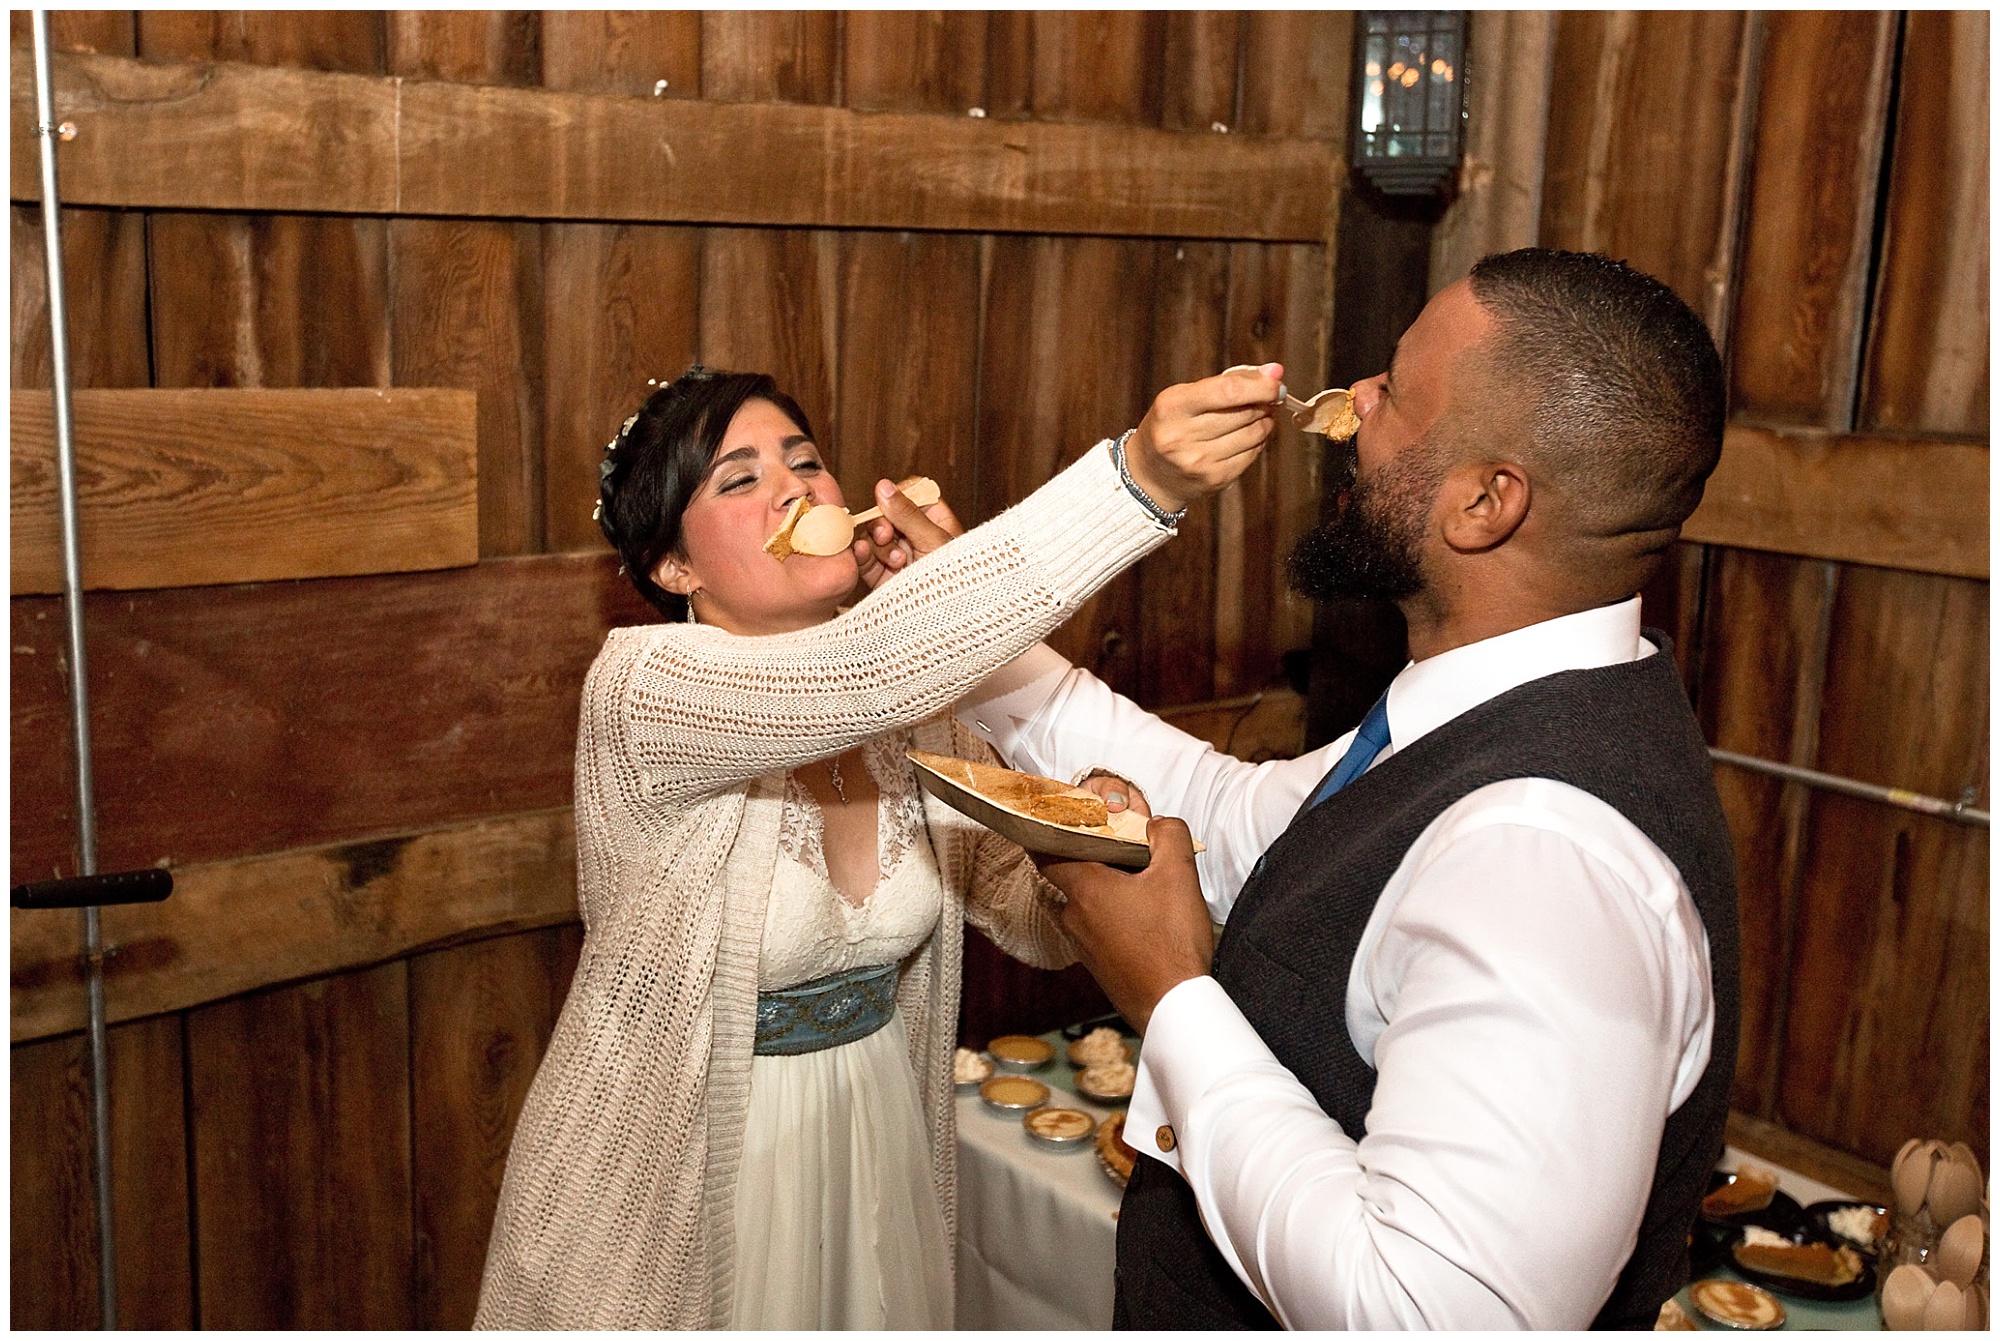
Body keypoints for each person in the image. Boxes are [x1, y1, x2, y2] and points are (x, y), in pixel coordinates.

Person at [955, 248, 1741, 1328]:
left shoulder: (1541, 853)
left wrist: (1170, 996)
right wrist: (967, 632)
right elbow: (1238, 824)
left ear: (1481, 503)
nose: (1352, 403)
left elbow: (1419, 1310)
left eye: (1392, 391)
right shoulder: (1474, 720)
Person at [472, 361, 1284, 1328]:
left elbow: (1027, 915)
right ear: (673, 567)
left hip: (874, 1139)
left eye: (806, 461)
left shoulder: (913, 709)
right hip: (693, 1169)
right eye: (739, 479)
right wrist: (1139, 476)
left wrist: (1088, 834)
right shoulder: (646, 688)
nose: (796, 488)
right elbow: (862, 671)